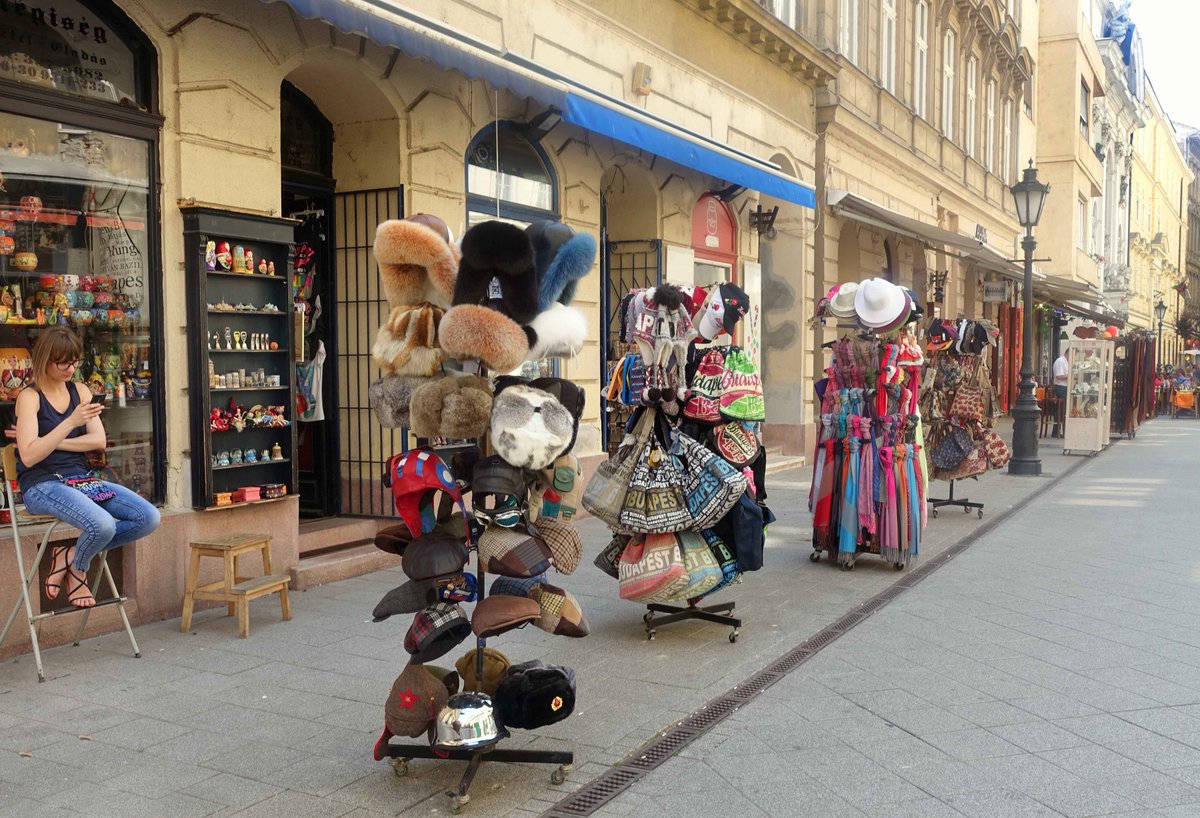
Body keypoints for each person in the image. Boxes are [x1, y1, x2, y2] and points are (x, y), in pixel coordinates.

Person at [12, 327, 160, 608]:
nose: (71, 369)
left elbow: (98, 441)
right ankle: (80, 571)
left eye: (75, 361)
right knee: (102, 524)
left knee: (148, 517)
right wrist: (70, 423)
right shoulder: (30, 397)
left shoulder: (80, 390)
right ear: (45, 359)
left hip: (81, 479)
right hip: (42, 484)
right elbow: (29, 457)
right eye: (63, 363)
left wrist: (50, 441)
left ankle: (69, 556)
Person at [1051, 344, 1069, 438]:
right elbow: (1058, 376)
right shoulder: (1060, 361)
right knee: (1060, 410)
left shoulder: (1066, 362)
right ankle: (1056, 431)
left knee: (1063, 410)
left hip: (1065, 387)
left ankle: (1058, 430)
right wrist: (1070, 376)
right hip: (1060, 387)